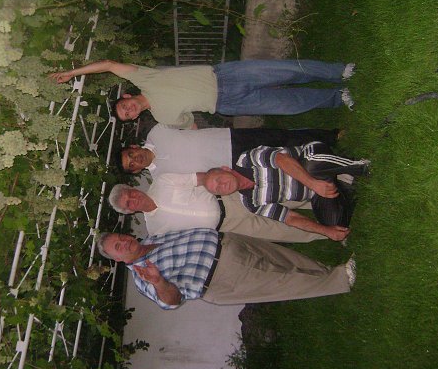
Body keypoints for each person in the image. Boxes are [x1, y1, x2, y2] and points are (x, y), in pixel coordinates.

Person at [50, 59, 356, 129]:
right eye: (126, 116)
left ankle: (339, 71)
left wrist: (73, 73)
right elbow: (191, 125)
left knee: (288, 71)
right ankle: (336, 97)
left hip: (225, 75)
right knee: (288, 105)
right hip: (227, 102)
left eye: (123, 107)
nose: (128, 111)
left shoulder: (145, 78)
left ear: (127, 98)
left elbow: (108, 64)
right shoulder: (163, 117)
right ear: (134, 117)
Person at [97, 228, 355, 309]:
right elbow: (171, 302)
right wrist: (159, 282)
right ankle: (341, 279)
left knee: (286, 259)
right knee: (284, 282)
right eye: (118, 247)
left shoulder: (152, 238)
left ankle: (328, 271)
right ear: (117, 259)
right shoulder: (142, 279)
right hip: (223, 277)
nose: (124, 242)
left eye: (121, 237)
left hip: (229, 243)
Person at [199, 142, 370, 241]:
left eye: (219, 180)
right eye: (218, 189)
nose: (222, 186)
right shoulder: (251, 203)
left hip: (310, 158)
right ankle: (343, 185)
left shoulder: (246, 160)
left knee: (312, 166)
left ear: (225, 169)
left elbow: (282, 159)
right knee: (335, 222)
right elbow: (290, 218)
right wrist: (326, 231)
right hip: (317, 192)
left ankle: (361, 167)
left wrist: (312, 183)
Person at [108, 177, 325, 242]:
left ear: (132, 188)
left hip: (230, 199)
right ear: (130, 212)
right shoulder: (155, 230)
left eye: (130, 194)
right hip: (228, 227)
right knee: (282, 231)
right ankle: (329, 233)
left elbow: (201, 177)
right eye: (129, 204)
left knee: (287, 197)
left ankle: (329, 193)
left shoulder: (162, 181)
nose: (134, 199)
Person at [118, 123, 339, 176]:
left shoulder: (156, 132)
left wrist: (196, 132)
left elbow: (184, 120)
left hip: (229, 138)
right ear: (136, 171)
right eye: (132, 165)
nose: (135, 160)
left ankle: (330, 137)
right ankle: (326, 160)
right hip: (230, 166)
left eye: (131, 155)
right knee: (278, 166)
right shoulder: (160, 176)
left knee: (279, 137)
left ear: (133, 147)